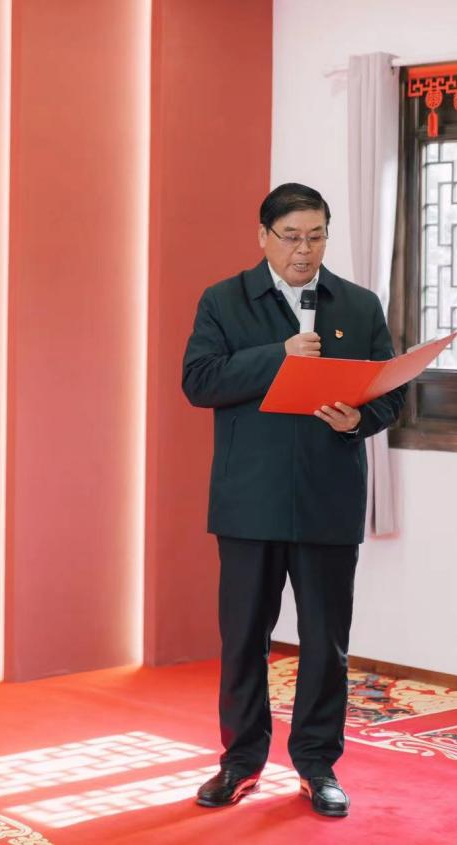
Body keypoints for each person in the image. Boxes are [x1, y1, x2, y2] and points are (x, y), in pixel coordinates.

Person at [182, 183, 406, 818]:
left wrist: (358, 420)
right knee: (243, 638)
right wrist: (276, 357)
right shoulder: (224, 300)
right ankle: (240, 762)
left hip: (327, 499)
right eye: (291, 237)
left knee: (325, 643)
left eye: (316, 236)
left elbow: (390, 392)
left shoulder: (358, 305)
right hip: (249, 501)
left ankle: (317, 765)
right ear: (263, 237)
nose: (304, 250)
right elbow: (199, 382)